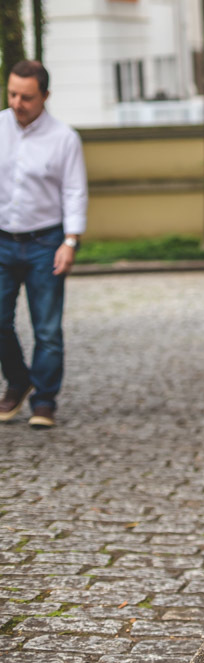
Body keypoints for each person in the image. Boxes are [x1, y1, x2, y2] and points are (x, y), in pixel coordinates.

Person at [0, 60, 88, 429]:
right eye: (12, 94)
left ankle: (45, 400)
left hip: (46, 242)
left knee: (47, 329)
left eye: (27, 97)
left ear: (45, 96)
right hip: (3, 240)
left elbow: (74, 191)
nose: (18, 102)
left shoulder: (64, 138)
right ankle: (19, 380)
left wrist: (69, 242)